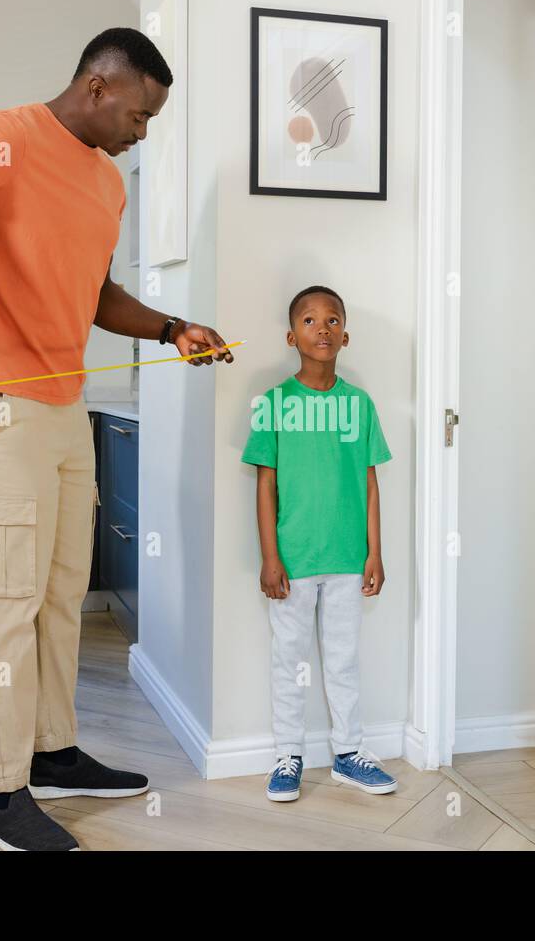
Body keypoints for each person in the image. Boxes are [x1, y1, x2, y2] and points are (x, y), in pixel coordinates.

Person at [0, 27, 234, 851]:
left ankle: (52, 751)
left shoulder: (107, 183)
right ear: (98, 87)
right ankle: (1, 797)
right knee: (13, 597)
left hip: (61, 404)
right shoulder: (2, 137)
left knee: (63, 589)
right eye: (140, 113)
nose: (144, 132)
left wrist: (172, 327)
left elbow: (97, 296)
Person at [240, 285, 397, 803]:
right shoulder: (273, 403)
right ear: (291, 336)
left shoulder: (360, 404)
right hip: (294, 559)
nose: (322, 329)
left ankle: (349, 754)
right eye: (309, 321)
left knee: (343, 657)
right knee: (289, 657)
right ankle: (288, 754)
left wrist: (375, 552)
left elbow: (371, 482)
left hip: (349, 558)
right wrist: (269, 556)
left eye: (332, 321)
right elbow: (265, 483)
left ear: (346, 335)